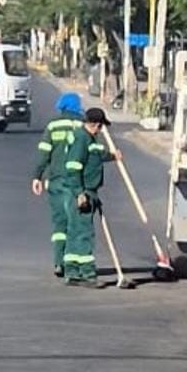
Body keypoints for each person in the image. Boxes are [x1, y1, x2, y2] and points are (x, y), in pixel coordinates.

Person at [62, 107, 121, 287]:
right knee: (84, 233)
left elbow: (96, 154)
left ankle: (72, 272)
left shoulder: (89, 139)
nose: (102, 130)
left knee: (74, 232)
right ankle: (87, 274)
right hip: (81, 192)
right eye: (101, 126)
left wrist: (112, 156)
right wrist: (80, 194)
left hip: (89, 191)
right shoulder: (81, 139)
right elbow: (73, 167)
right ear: (96, 124)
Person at [31, 91, 85, 277]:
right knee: (75, 223)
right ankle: (73, 264)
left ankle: (58, 262)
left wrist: (37, 177)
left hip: (56, 181)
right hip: (77, 183)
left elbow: (44, 153)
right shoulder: (83, 126)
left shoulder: (53, 126)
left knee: (59, 223)